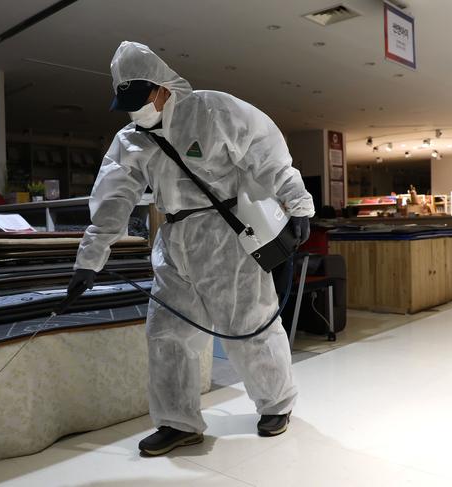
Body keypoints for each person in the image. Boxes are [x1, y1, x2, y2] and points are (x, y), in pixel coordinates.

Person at [68, 41, 314, 456]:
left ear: (162, 86)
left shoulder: (215, 112)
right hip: (173, 240)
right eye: (126, 102)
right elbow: (112, 200)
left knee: (248, 324)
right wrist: (89, 260)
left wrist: (299, 202)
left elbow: (266, 155)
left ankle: (276, 403)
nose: (135, 110)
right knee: (166, 334)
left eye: (140, 98)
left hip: (227, 236)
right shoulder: (130, 140)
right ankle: (177, 421)